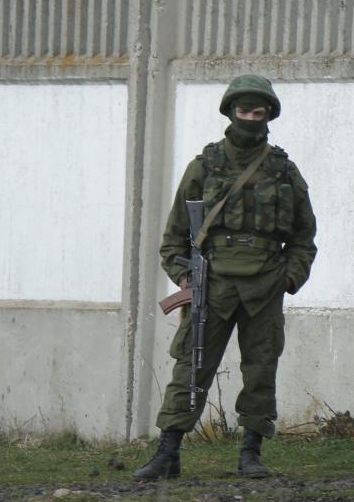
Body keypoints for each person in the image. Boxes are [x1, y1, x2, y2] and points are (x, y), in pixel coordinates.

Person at [134, 75, 317, 480]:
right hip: (213, 287)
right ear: (231, 113)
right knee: (191, 367)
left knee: (261, 368)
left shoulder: (284, 171)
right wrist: (186, 277)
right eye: (244, 111)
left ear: (269, 115)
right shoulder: (205, 167)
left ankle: (250, 454)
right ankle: (168, 453)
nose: (251, 118)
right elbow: (173, 238)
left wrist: (289, 277)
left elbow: (305, 237)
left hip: (265, 286)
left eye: (259, 112)